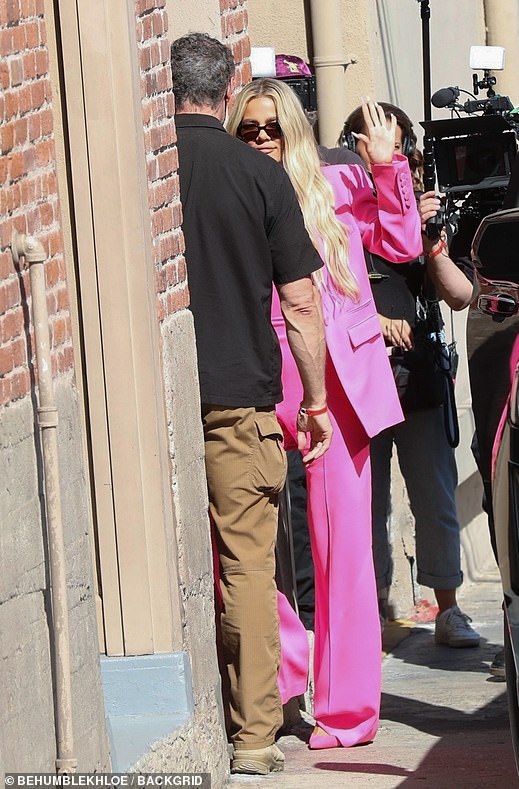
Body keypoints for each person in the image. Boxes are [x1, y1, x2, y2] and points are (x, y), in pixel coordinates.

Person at [227, 80, 422, 748]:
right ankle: (290, 662)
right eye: (247, 132)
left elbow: (400, 243)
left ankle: (346, 711)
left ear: (293, 133)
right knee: (239, 536)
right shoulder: (236, 192)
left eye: (269, 130)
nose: (259, 142)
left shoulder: (335, 185)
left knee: (345, 553)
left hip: (338, 386)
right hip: (261, 378)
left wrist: (390, 166)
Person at [171, 34, 334, 776]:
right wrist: (317, 402)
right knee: (246, 568)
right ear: (226, 86)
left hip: (157, 400)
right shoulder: (258, 176)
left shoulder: (148, 169)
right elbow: (301, 302)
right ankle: (254, 734)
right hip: (240, 399)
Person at [339, 102, 481, 648]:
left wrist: (432, 243)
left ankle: (448, 607)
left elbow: (462, 294)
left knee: (435, 496)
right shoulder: (342, 216)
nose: (391, 161)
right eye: (377, 148)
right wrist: (375, 321)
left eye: (401, 152)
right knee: (368, 503)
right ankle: (372, 611)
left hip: (418, 376)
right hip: (359, 376)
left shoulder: (424, 219)